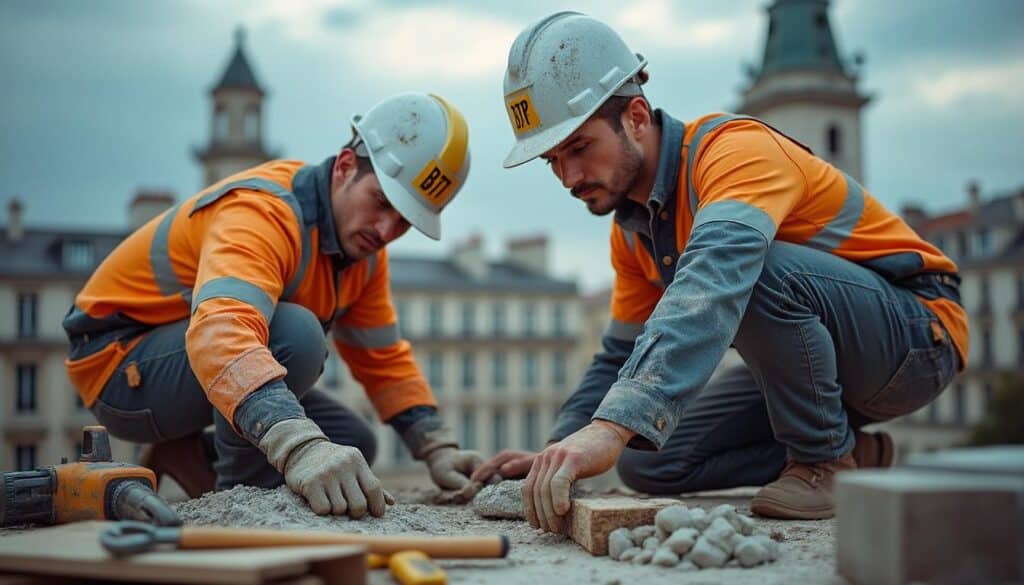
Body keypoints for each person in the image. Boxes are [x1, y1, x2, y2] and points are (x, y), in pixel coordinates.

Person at [473, 12, 966, 528]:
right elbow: (619, 353)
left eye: (578, 147)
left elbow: (716, 277)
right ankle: (857, 453)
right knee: (647, 457)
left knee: (749, 266)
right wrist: (562, 448)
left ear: (636, 117)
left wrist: (613, 424)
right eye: (552, 159)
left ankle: (822, 462)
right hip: (822, 362)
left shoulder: (733, 151)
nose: (568, 176)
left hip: (916, 338)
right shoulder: (634, 231)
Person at [64, 92, 482, 518]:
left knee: (351, 440)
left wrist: (437, 447)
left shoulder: (363, 254)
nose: (386, 230)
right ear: (344, 167)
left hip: (183, 367)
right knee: (295, 335)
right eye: (382, 202)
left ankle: (185, 456)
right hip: (117, 368)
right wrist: (299, 446)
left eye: (405, 221)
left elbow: (383, 359)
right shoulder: (263, 210)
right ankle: (243, 500)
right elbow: (221, 333)